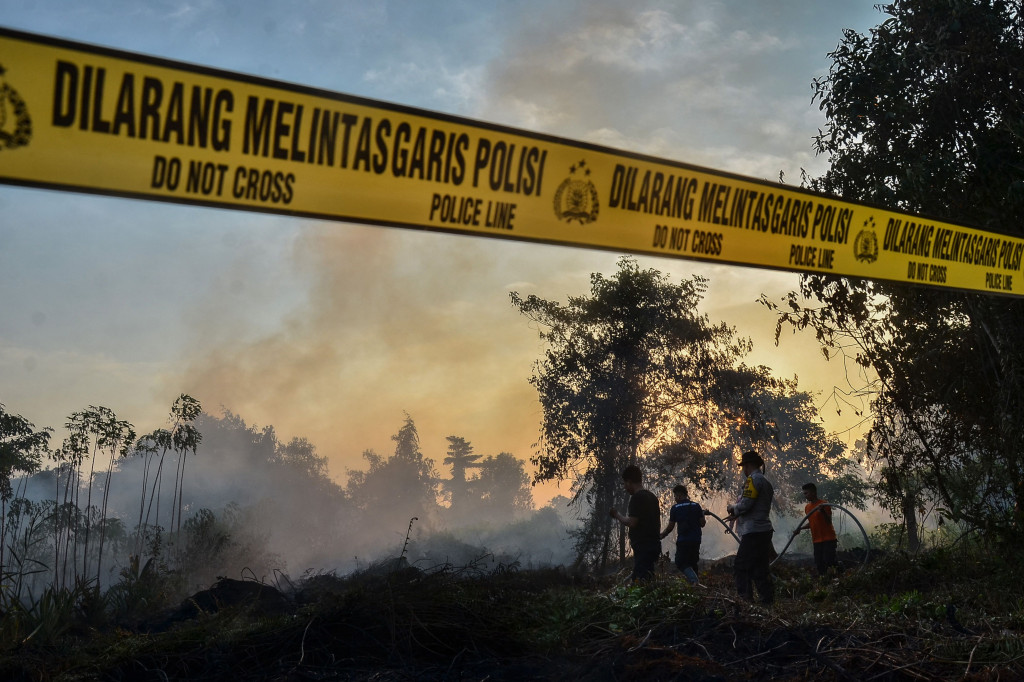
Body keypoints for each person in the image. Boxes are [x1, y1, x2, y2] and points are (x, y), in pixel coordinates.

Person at [724, 450, 775, 605]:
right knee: (760, 568)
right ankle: (767, 601)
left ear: (747, 466)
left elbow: (746, 504)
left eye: (743, 467)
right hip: (764, 530)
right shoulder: (766, 482)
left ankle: (745, 601)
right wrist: (737, 515)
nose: (743, 471)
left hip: (753, 531)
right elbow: (755, 506)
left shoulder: (753, 480)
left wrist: (733, 508)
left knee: (741, 566)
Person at [609, 465, 661, 582]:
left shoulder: (637, 498)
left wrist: (616, 514)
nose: (625, 487)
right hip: (654, 544)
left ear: (629, 482)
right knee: (647, 576)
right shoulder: (652, 497)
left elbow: (632, 522)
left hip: (643, 546)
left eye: (625, 484)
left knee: (642, 579)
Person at [660, 484, 706, 585]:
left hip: (683, 541)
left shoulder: (675, 508)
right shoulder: (696, 506)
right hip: (696, 540)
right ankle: (696, 587)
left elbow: (670, 527)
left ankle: (694, 581)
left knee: (680, 562)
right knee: (693, 563)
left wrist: (662, 535)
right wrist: (702, 513)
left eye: (675, 496)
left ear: (680, 495)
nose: (675, 499)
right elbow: (702, 523)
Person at [793, 482, 838, 577]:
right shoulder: (807, 507)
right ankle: (824, 581)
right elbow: (812, 523)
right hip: (817, 540)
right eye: (804, 493)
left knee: (829, 561)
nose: (805, 496)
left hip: (828, 539)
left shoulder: (824, 504)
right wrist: (800, 528)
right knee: (819, 563)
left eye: (806, 493)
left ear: (813, 492)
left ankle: (837, 577)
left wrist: (822, 511)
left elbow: (829, 521)